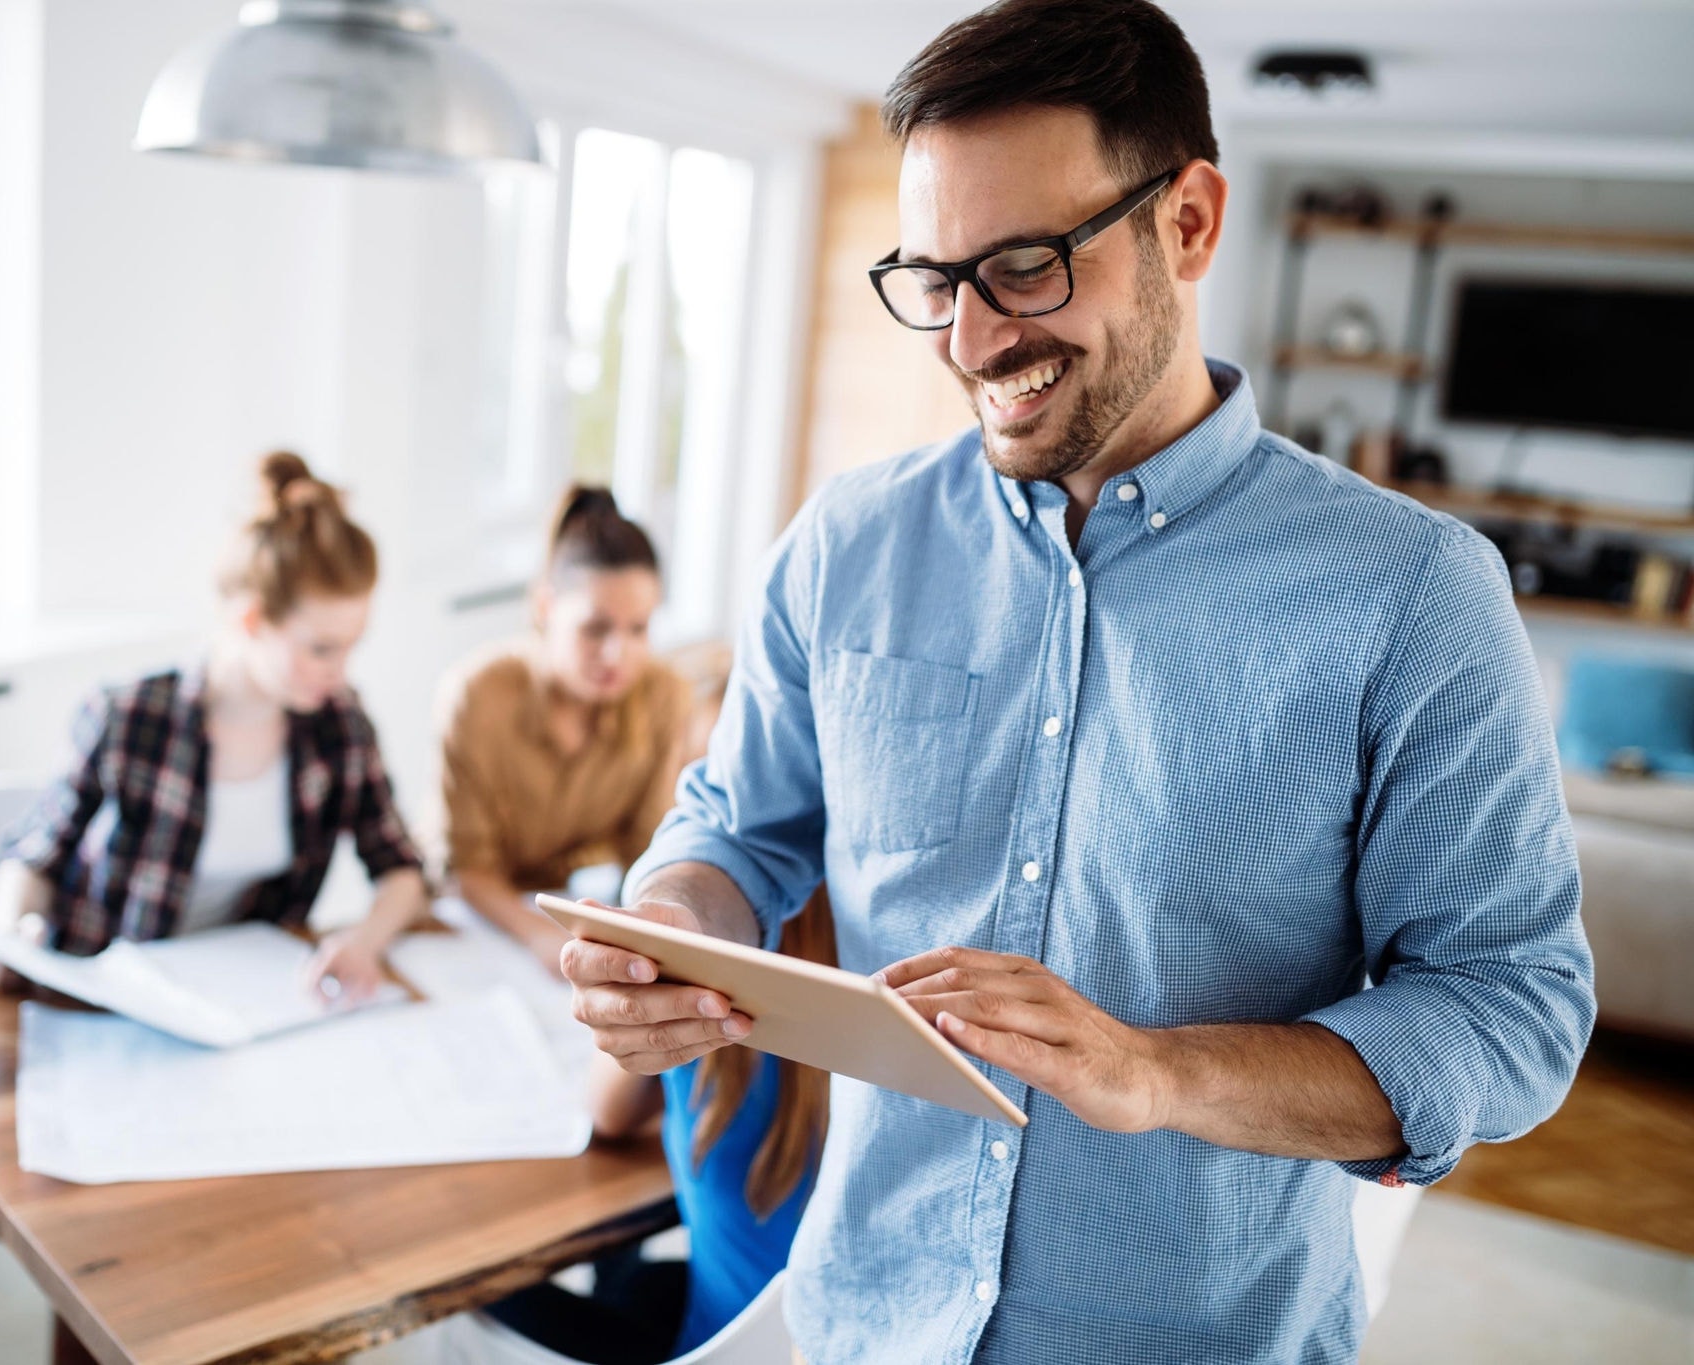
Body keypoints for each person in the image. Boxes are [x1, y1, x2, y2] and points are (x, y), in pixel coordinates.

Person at [559, 3, 1596, 1363]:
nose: (970, 340)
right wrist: (663, 927)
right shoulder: (845, 544)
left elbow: (1508, 1008)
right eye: (935, 279)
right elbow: (736, 827)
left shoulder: (1414, 594)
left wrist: (1157, 1073)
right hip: (861, 1326)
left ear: (1190, 222)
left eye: (1024, 266)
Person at [0, 451, 429, 1000]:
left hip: (246, 1002)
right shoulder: (127, 716)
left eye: (352, 646)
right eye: (322, 649)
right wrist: (12, 933)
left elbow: (402, 871)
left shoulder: (340, 728)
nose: (340, 671)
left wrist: (364, 941)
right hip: (101, 997)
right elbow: (32, 860)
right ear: (251, 620)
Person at [489, 893, 835, 1365]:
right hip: (810, 1342)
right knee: (641, 1284)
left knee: (483, 1286)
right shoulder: (883, 1037)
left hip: (716, 1349)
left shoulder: (704, 1011)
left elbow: (608, 1115)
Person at [435, 485, 690, 974]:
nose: (617, 655)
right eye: (595, 628)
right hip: (473, 919)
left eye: (638, 629)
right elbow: (468, 868)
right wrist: (538, 935)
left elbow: (649, 848)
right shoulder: (476, 694)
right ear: (545, 607)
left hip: (566, 909)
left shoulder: (665, 696)